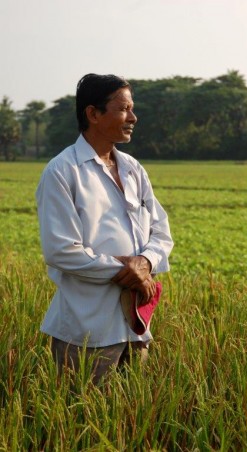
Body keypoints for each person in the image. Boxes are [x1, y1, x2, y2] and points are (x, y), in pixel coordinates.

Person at [36, 73, 173, 382]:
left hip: (135, 324)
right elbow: (61, 250)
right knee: (81, 422)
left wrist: (145, 261)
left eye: (132, 108)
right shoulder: (63, 171)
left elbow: (161, 231)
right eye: (123, 108)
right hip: (86, 329)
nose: (133, 117)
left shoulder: (133, 168)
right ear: (93, 114)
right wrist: (125, 270)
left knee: (132, 420)